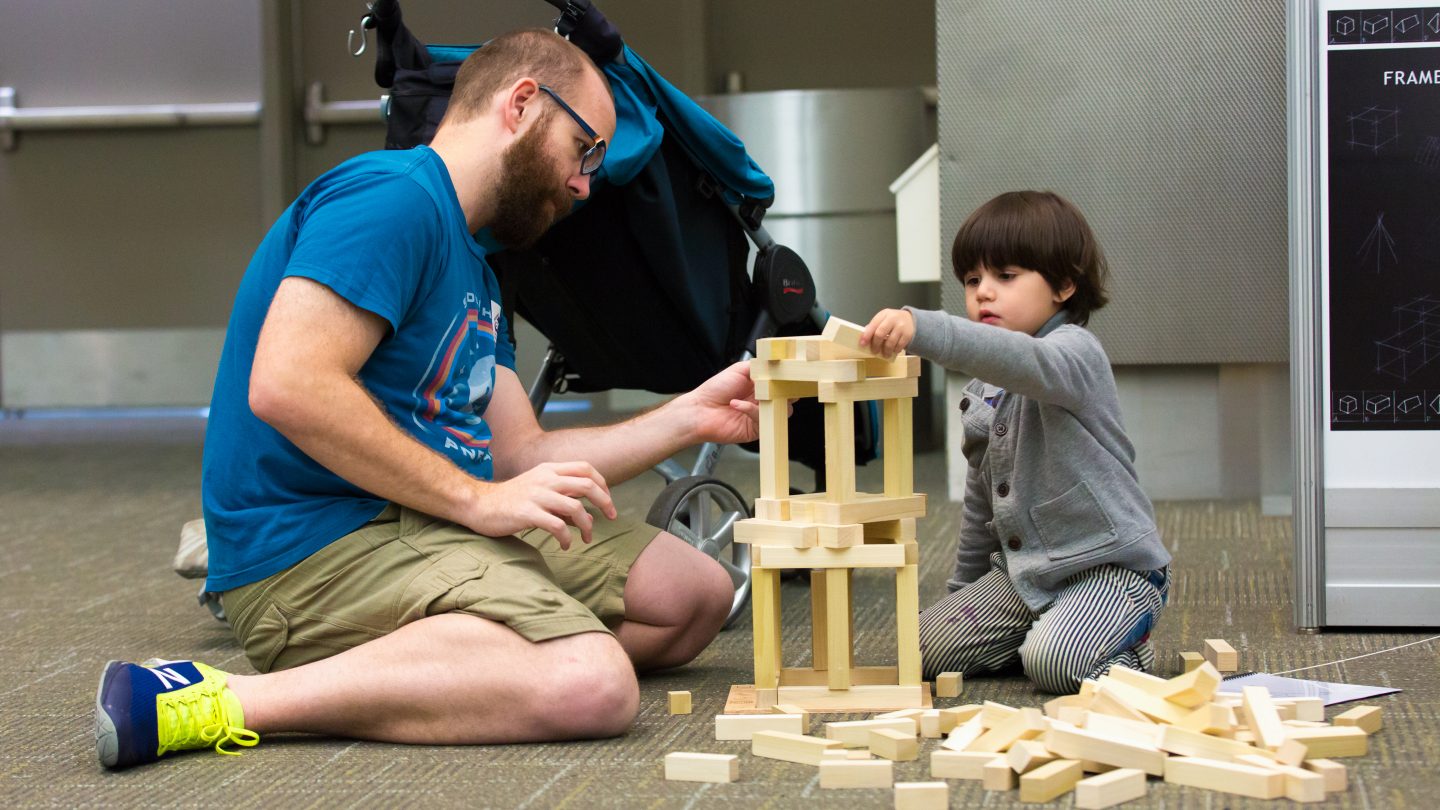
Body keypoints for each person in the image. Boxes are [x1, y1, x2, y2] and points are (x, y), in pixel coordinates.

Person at [95, 29, 757, 769]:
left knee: (692, 595)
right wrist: (475, 504)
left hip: (427, 526)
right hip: (319, 553)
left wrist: (693, 413)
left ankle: (434, 662)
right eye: (586, 148)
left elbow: (520, 455)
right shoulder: (394, 200)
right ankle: (210, 696)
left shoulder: (479, 266)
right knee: (593, 682)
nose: (584, 183)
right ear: (524, 103)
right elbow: (287, 383)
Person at [861, 190, 1171, 695]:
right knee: (920, 651)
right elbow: (983, 508)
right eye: (972, 280)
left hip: (1108, 569)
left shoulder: (1074, 354)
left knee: (1055, 664)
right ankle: (1048, 632)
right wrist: (962, 600)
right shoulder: (982, 394)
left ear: (1065, 285)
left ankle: (1125, 643)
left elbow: (1021, 362)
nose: (984, 292)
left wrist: (926, 328)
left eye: (1005, 277)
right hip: (1023, 573)